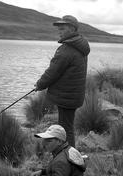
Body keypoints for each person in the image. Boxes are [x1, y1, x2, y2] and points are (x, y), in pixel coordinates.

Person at [34, 15, 90, 147]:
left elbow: (53, 71)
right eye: (58, 28)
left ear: (72, 29)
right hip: (73, 95)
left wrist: (39, 84)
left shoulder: (67, 49)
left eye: (62, 28)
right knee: (67, 126)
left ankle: (69, 158)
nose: (59, 31)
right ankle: (69, 156)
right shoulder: (80, 46)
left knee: (65, 129)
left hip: (67, 97)